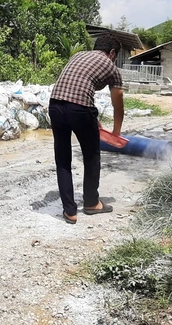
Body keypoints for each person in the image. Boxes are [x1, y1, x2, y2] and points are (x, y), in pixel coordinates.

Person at [48, 34, 125, 225]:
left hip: (55, 105)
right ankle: (91, 203)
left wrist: (93, 119)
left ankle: (69, 212)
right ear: (112, 53)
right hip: (80, 109)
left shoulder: (78, 55)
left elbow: (76, 87)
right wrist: (116, 133)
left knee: (63, 160)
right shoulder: (111, 67)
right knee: (91, 156)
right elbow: (118, 104)